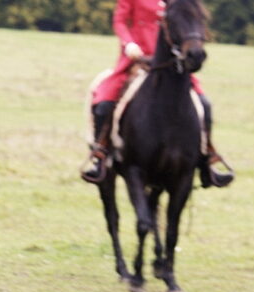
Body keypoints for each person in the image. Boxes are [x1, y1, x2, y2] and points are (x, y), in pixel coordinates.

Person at [80, 0, 233, 188]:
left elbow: (191, 20)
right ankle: (101, 155)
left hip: (172, 63)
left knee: (204, 104)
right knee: (104, 103)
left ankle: (206, 159)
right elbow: (120, 21)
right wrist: (129, 44)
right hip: (138, 59)